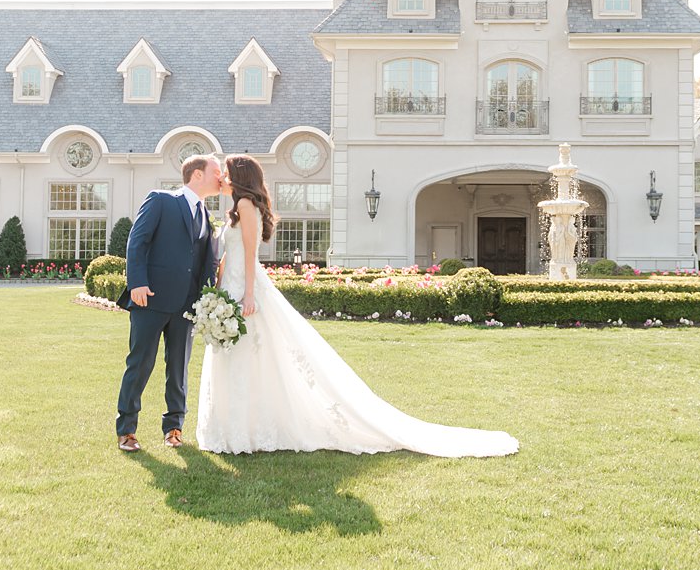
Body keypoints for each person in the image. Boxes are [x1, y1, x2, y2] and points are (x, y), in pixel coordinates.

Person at [196, 154, 518, 457]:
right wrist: (218, 291)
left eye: (226, 171)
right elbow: (227, 256)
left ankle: (248, 430)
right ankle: (236, 427)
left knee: (251, 357)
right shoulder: (236, 208)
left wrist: (248, 294)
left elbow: (251, 255)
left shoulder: (245, 205)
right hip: (229, 289)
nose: (222, 176)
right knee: (240, 358)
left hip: (247, 292)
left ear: (239, 177)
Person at [115, 153, 223, 451]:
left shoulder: (206, 216)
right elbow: (137, 241)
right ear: (197, 175)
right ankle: (126, 429)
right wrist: (137, 282)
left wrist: (207, 299)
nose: (221, 176)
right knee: (140, 364)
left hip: (186, 306)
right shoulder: (161, 200)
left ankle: (174, 428)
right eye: (217, 171)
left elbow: (204, 262)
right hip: (150, 299)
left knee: (178, 369)